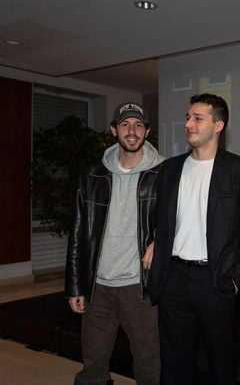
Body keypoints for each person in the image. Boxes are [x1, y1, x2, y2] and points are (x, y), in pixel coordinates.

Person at [147, 93, 240, 385]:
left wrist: (236, 279)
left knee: (221, 362)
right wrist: (154, 244)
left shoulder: (238, 170)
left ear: (218, 126)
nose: (189, 124)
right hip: (173, 279)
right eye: (187, 117)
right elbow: (159, 220)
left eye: (197, 118)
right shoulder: (170, 169)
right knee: (174, 362)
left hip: (216, 280)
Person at [65, 101, 163, 385]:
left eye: (138, 125)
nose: (132, 131)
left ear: (147, 131)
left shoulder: (164, 172)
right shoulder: (92, 175)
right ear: (113, 130)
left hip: (139, 288)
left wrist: (160, 242)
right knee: (92, 367)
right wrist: (75, 286)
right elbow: (78, 233)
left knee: (148, 366)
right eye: (125, 124)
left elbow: (177, 220)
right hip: (98, 288)